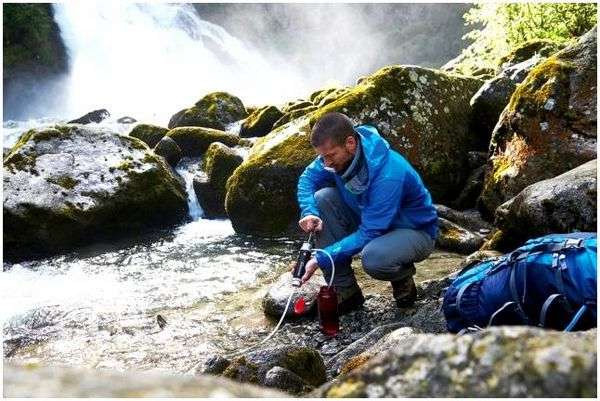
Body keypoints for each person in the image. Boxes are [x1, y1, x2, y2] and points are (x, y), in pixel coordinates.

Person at [296, 112, 438, 313]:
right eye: (322, 157)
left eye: (330, 156)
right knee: (322, 198)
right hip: (368, 216)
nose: (326, 164)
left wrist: (321, 258)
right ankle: (345, 291)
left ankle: (401, 275)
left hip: (414, 232)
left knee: (373, 258)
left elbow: (370, 233)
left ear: (350, 143)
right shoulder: (335, 156)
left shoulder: (388, 174)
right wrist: (309, 212)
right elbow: (307, 179)